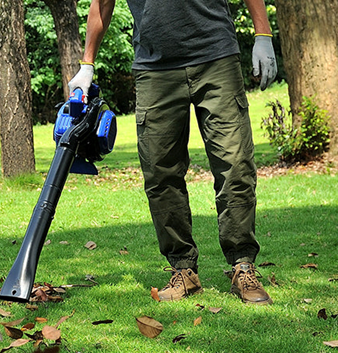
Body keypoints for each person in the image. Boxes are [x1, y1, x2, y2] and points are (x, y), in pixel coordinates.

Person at [68, 0, 277, 305]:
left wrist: (263, 34)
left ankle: (243, 265)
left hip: (216, 58)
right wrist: (87, 63)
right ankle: (183, 271)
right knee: (160, 172)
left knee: (235, 165)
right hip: (155, 69)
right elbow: (102, 4)